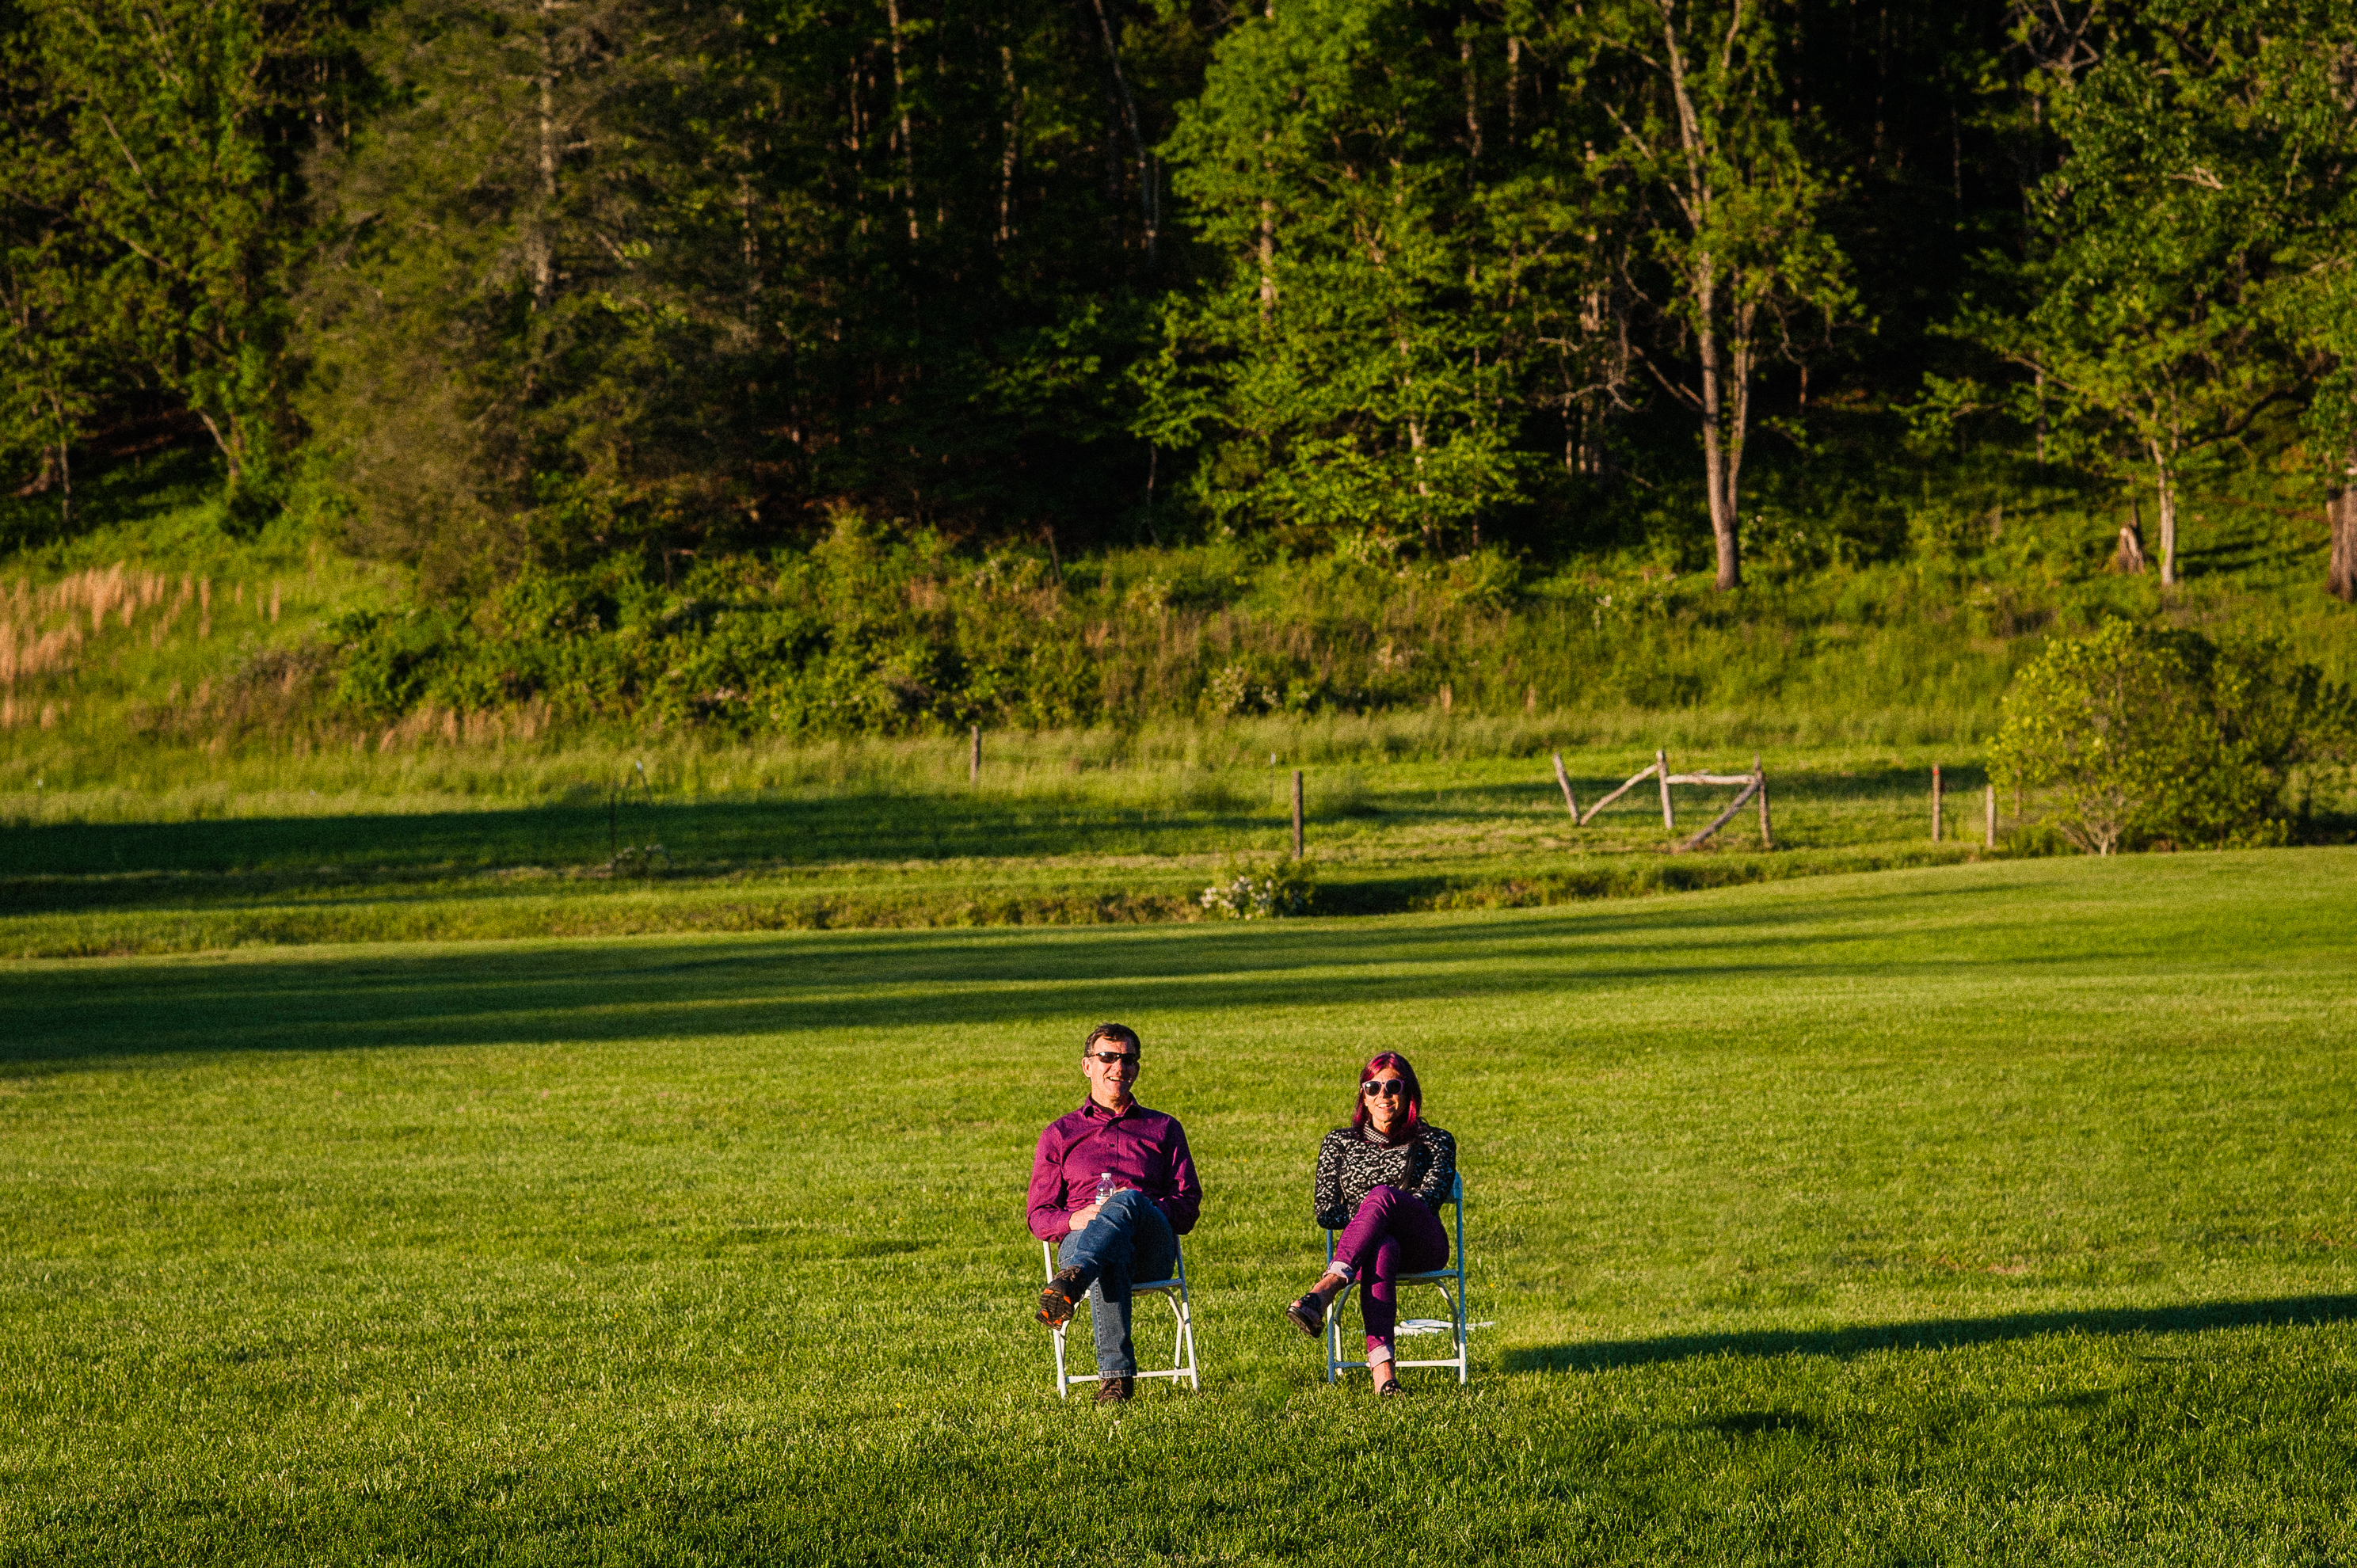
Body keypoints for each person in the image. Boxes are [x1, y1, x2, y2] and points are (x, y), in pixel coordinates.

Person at [1026, 1022, 1201, 1405]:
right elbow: (1039, 1216)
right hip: (1083, 1240)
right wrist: (1079, 1218)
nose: (1118, 1066)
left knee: (1128, 1202)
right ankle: (1117, 1383)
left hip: (1150, 1249)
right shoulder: (1059, 1134)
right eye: (1107, 1057)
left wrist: (1139, 1207)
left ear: (1137, 1068)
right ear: (1087, 1065)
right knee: (1109, 1252)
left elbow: (1187, 1208)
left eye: (1127, 1059)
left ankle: (1072, 1283)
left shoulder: (1164, 1128)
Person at [1283, 1051, 1456, 1396]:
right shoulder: (1339, 1143)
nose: (1383, 1095)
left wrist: (1375, 1209)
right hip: (1364, 1253)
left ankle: (1328, 1286)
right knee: (1381, 1246)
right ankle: (1384, 1377)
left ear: (1408, 1093)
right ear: (1363, 1094)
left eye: (1393, 1086)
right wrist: (1371, 1226)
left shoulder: (1436, 1141)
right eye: (1373, 1087)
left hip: (1423, 1243)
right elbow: (1325, 1211)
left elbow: (1428, 1200)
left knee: (1381, 1197)